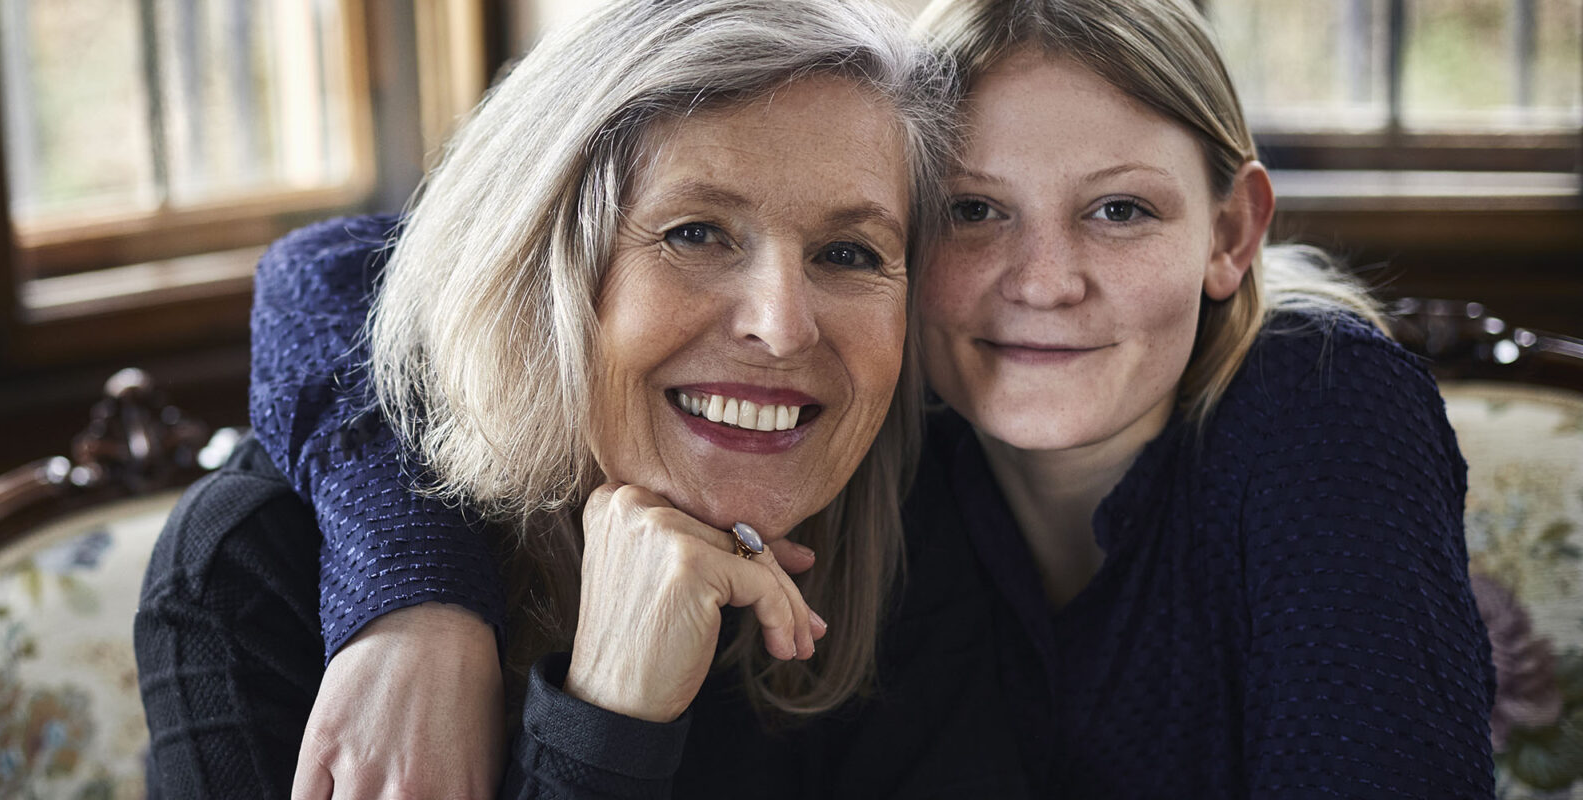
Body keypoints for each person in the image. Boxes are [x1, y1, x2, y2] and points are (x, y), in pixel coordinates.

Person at [237, 0, 1499, 797]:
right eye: (970, 213)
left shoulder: (1317, 411)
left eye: (1119, 209)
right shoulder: (881, 445)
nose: (1042, 282)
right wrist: (418, 602)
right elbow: (337, 269)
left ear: (1230, 233)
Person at [135, 0, 1028, 796]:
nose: (783, 327)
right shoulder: (254, 568)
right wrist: (610, 721)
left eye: (849, 254)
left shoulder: (910, 518)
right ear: (539, 267)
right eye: (696, 233)